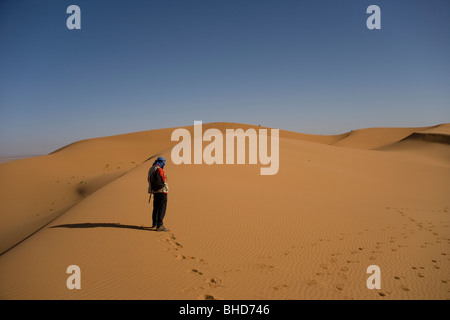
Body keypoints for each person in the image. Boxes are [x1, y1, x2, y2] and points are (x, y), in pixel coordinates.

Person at [147, 156, 169, 231]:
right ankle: (160, 225)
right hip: (162, 191)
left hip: (155, 192)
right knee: (162, 208)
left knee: (155, 208)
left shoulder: (150, 169)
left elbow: (148, 179)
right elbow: (164, 180)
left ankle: (154, 223)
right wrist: (166, 178)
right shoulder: (160, 169)